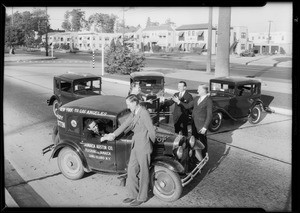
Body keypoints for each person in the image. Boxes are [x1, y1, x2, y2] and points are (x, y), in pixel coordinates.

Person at [102, 94, 156, 206]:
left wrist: (150, 146)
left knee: (144, 173)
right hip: (135, 145)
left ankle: (142, 197)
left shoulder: (144, 113)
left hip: (144, 146)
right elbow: (125, 125)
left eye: (128, 104)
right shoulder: (134, 112)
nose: (127, 107)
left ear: (135, 103)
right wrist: (112, 135)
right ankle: (132, 195)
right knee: (131, 170)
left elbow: (152, 131)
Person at [172, 84, 212, 159]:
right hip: (194, 124)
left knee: (202, 142)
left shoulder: (208, 100)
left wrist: (205, 127)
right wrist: (178, 102)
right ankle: (194, 156)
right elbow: (187, 106)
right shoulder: (197, 98)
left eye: (199, 90)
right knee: (193, 141)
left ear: (204, 90)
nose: (197, 91)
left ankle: (203, 157)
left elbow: (209, 115)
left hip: (201, 126)